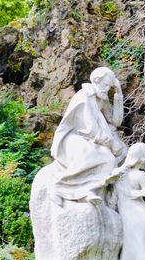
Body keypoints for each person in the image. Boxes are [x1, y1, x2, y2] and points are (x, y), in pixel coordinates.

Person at [50, 67, 127, 206]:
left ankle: (88, 191)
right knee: (97, 156)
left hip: (89, 138)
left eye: (109, 87)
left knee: (110, 159)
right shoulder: (84, 96)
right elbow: (91, 129)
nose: (106, 90)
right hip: (72, 138)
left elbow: (116, 121)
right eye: (105, 86)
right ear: (96, 81)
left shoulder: (100, 98)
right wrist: (112, 145)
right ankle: (59, 186)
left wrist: (118, 93)